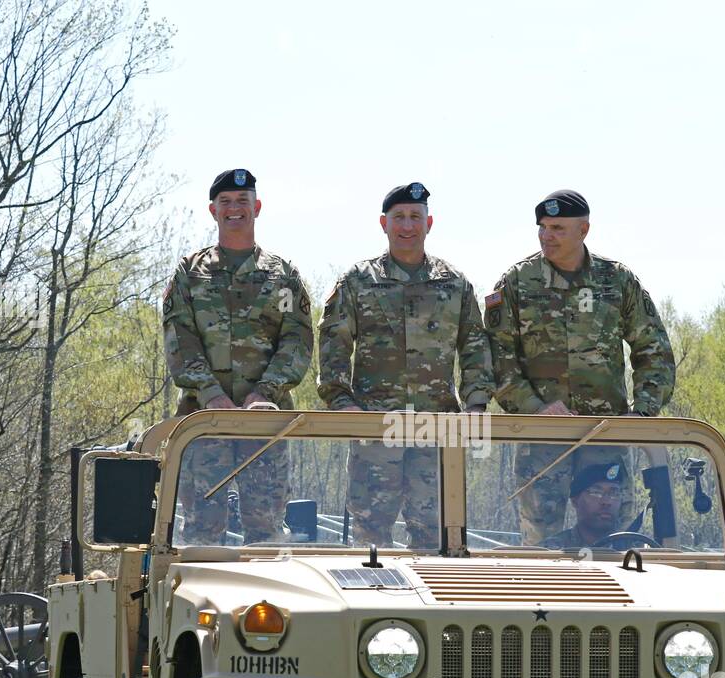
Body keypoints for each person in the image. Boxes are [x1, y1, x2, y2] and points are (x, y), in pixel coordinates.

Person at [485, 189, 675, 545]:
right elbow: (496, 359)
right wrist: (535, 408)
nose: (546, 235)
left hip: (607, 436)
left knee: (617, 540)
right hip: (542, 438)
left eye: (557, 227)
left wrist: (643, 414)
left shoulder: (616, 281)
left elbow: (654, 351)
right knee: (543, 544)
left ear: (583, 230)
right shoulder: (517, 283)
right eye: (542, 227)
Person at [318, 182, 495, 548]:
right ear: (384, 223)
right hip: (377, 427)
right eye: (399, 217)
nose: (407, 226)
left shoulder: (453, 284)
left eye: (416, 217)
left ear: (430, 222)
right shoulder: (358, 282)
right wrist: (341, 403)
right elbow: (334, 343)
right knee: (370, 536)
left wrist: (476, 404)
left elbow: (475, 346)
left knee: (438, 535)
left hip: (436, 429)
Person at [162, 168, 314, 545]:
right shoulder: (189, 274)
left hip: (265, 424)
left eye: (242, 202)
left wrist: (265, 392)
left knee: (266, 529)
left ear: (257, 207)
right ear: (213, 210)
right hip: (203, 421)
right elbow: (179, 338)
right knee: (201, 528)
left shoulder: (283, 276)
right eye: (225, 202)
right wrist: (211, 394)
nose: (234, 210)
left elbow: (297, 339)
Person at [539, 462, 627, 550]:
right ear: (575, 501)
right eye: (596, 493)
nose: (607, 502)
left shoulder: (632, 548)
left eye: (615, 494)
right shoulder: (551, 551)